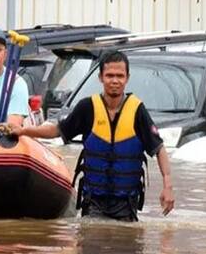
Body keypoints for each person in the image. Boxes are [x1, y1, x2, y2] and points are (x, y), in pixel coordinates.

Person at [10, 51, 175, 222]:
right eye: (110, 75)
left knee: (126, 245)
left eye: (120, 76)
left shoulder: (137, 111)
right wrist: (24, 131)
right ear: (101, 78)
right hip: (93, 201)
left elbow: (159, 149)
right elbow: (57, 131)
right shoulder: (87, 107)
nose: (115, 81)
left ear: (127, 78)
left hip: (126, 204)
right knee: (91, 244)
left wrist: (167, 186)